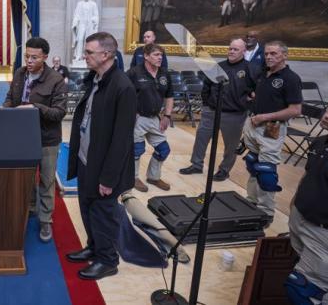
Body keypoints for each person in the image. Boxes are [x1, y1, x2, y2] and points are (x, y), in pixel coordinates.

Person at [65, 32, 137, 280]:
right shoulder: (96, 79)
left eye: (89, 52)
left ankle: (107, 260)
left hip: (105, 167)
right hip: (88, 159)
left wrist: (108, 178)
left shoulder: (123, 86)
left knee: (103, 213)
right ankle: (94, 247)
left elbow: (122, 139)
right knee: (87, 208)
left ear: (106, 54)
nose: (84, 56)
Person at [3, 37, 68, 242]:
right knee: (26, 178)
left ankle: (46, 220)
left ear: (45, 57)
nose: (29, 61)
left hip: (47, 139)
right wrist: (5, 110)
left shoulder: (56, 79)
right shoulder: (19, 73)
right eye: (27, 56)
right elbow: (10, 98)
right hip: (21, 137)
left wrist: (35, 108)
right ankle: (30, 208)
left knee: (46, 181)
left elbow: (59, 113)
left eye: (34, 57)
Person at [286, 95, 328, 305]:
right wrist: (295, 202)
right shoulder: (321, 141)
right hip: (301, 219)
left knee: (302, 290)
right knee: (318, 288)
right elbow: (309, 174)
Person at [179, 38, 257, 181]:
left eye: (236, 49)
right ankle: (196, 164)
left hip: (234, 114)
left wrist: (247, 105)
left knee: (231, 145)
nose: (231, 51)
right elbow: (206, 87)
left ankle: (224, 170)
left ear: (244, 52)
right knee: (201, 138)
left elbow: (256, 91)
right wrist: (207, 105)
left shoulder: (250, 68)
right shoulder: (218, 66)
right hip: (211, 111)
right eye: (230, 48)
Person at [242, 40, 302, 221]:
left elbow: (295, 110)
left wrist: (265, 117)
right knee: (253, 163)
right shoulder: (263, 74)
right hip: (254, 122)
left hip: (271, 126)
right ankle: (251, 202)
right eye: (267, 53)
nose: (269, 56)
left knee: (266, 170)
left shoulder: (290, 78)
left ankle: (266, 211)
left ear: (284, 55)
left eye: (274, 53)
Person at [127, 43, 173, 193]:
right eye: (156, 55)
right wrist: (130, 114)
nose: (160, 58)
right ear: (146, 56)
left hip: (155, 118)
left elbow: (169, 96)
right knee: (137, 150)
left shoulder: (165, 74)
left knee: (163, 149)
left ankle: (153, 177)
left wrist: (167, 115)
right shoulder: (134, 73)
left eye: (161, 55)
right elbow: (124, 95)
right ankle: (132, 178)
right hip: (138, 119)